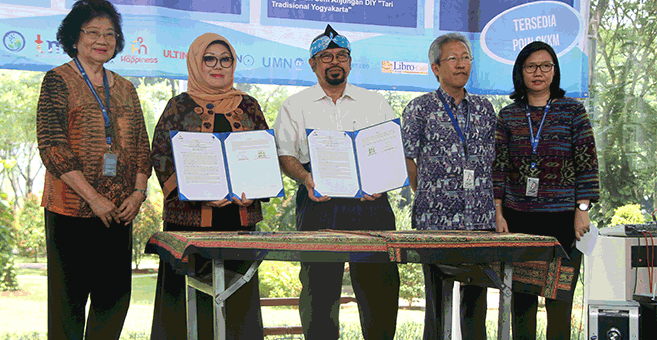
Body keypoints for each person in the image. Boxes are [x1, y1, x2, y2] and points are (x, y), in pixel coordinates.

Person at [273, 24, 400, 340]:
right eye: (326, 56)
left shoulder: (375, 102)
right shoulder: (295, 105)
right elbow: (285, 155)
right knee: (319, 292)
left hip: (371, 205)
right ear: (313, 64)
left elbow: (392, 151)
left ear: (350, 62)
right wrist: (305, 178)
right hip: (319, 204)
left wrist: (382, 182)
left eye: (341, 55)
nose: (335, 61)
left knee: (380, 289)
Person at [36, 0, 151, 339]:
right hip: (70, 210)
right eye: (93, 33)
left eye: (110, 34)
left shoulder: (126, 88)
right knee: (68, 306)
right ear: (74, 38)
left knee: (114, 300)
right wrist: (93, 198)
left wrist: (139, 193)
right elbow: (52, 147)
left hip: (120, 211)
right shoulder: (57, 80)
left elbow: (142, 147)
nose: (103, 40)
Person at [149, 33, 267, 340]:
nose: (218, 66)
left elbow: (263, 154)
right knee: (188, 302)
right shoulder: (178, 106)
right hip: (188, 224)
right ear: (195, 62)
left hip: (239, 222)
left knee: (237, 300)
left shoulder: (250, 106)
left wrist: (253, 190)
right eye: (209, 59)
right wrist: (200, 195)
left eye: (225, 60)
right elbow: (160, 155)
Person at [492, 41, 599, 340]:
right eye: (531, 66)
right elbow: (498, 166)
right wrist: (498, 211)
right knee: (521, 305)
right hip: (519, 222)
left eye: (545, 66)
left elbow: (587, 162)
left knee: (559, 304)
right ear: (521, 72)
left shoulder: (573, 112)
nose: (538, 72)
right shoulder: (509, 116)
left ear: (554, 72)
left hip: (563, 221)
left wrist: (582, 211)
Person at [401, 32, 497, 340]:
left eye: (466, 57)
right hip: (435, 221)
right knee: (437, 306)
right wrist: (429, 192)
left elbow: (493, 161)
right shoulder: (420, 108)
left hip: (479, 221)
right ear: (435, 68)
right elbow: (408, 158)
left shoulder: (485, 109)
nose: (461, 64)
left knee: (475, 307)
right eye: (452, 58)